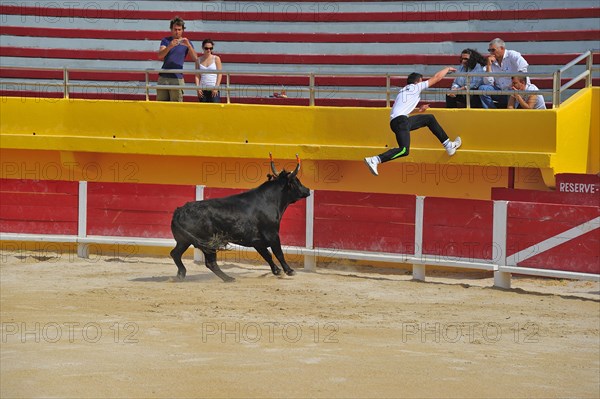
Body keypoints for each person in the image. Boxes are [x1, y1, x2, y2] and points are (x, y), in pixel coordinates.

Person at [364, 66, 462, 176]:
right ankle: (375, 159)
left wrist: (418, 110)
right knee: (404, 150)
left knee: (429, 118)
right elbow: (437, 78)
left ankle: (449, 145)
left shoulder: (403, 91)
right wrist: (447, 69)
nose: (423, 82)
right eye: (421, 80)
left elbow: (402, 111)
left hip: (398, 121)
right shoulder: (415, 87)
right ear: (417, 81)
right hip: (401, 122)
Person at [478, 38, 529, 109]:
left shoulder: (511, 54)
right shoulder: (491, 61)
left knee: (513, 92)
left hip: (514, 91)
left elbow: (523, 66)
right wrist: (489, 66)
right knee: (483, 89)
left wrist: (515, 82)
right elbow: (488, 83)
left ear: (502, 48)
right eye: (489, 50)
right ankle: (492, 112)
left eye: (493, 50)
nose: (491, 53)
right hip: (501, 92)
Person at [157, 16, 198, 102]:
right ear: (171, 29)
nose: (177, 32)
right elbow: (160, 55)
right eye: (175, 29)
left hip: (177, 78)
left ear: (183, 30)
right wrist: (170, 46)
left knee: (176, 105)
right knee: (160, 104)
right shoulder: (166, 40)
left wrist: (189, 46)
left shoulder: (187, 42)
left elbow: (195, 58)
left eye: (179, 29)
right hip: (163, 76)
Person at [195, 39, 223, 103]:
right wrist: (198, 88)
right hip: (203, 89)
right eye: (206, 48)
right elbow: (197, 75)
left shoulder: (216, 58)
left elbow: (220, 74)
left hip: (213, 88)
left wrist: (216, 87)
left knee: (215, 109)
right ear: (202, 48)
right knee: (203, 110)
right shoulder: (198, 60)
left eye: (211, 48)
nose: (209, 50)